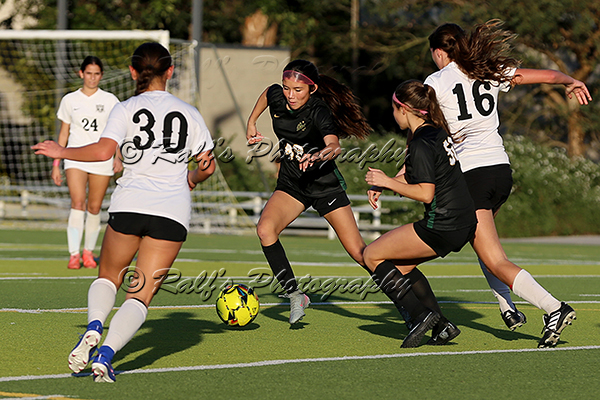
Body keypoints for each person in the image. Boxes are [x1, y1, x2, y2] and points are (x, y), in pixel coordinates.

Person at [32, 42, 215, 382]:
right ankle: (106, 355)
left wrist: (62, 150)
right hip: (171, 212)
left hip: (129, 205)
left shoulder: (125, 107)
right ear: (170, 71)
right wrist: (191, 178)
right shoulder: (189, 113)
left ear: (133, 72)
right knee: (140, 295)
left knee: (107, 277)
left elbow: (104, 151)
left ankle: (94, 327)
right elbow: (207, 166)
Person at [424, 20, 589, 346]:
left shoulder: (436, 81)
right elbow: (548, 76)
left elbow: (423, 134)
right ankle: (507, 306)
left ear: (439, 52)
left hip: (471, 174)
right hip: (500, 171)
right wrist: (570, 80)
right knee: (484, 246)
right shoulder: (489, 70)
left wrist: (400, 174)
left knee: (494, 257)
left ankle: (554, 308)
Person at [246, 59, 372, 324]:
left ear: (312, 89)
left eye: (298, 90)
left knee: (360, 253)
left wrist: (318, 156)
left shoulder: (318, 110)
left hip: (324, 186)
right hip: (293, 185)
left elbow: (334, 146)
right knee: (265, 230)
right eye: (287, 88)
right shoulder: (277, 96)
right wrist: (252, 122)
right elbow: (267, 94)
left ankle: (407, 300)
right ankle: (295, 295)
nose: (290, 95)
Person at [363, 79, 477, 348]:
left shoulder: (421, 142)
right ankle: (441, 326)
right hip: (463, 221)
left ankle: (420, 315)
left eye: (394, 109)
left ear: (403, 109)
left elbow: (426, 193)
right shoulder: (435, 132)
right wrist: (388, 183)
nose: (393, 114)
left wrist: (386, 181)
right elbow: (420, 175)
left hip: (444, 223)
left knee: (371, 255)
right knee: (399, 268)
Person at [54, 56, 121, 269]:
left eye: (97, 74)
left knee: (94, 207)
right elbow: (64, 133)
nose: (92, 78)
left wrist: (118, 156)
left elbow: (118, 131)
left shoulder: (110, 100)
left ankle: (88, 252)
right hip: (74, 158)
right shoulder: (70, 100)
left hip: (101, 158)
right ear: (81, 73)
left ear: (101, 75)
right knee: (77, 203)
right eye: (89, 73)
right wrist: (56, 163)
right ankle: (74, 254)